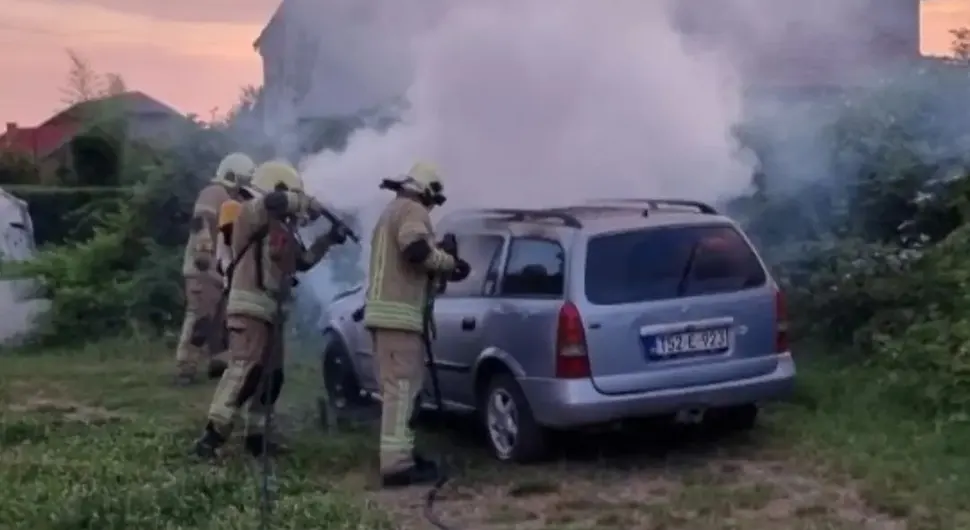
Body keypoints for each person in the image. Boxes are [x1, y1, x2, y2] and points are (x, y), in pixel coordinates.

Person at [191, 160, 350, 458]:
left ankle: (257, 436)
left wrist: (329, 239)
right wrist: (308, 203)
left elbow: (300, 262)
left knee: (272, 377)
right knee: (244, 372)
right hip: (249, 305)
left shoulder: (281, 228)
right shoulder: (251, 211)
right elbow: (276, 201)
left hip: (272, 312)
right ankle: (212, 437)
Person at [364, 161, 470, 488]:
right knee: (402, 391)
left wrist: (438, 261)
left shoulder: (391, 212)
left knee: (401, 391)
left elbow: (412, 259)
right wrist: (449, 263)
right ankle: (397, 467)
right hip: (398, 318)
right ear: (426, 191)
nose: (431, 209)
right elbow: (415, 250)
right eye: (433, 202)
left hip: (388, 317)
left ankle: (403, 456)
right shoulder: (412, 210)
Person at [174, 152, 255, 386]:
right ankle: (185, 367)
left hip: (219, 273)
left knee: (219, 323)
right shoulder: (214, 193)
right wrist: (203, 250)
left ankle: (218, 363)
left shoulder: (233, 200)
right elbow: (201, 221)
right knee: (200, 317)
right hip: (204, 270)